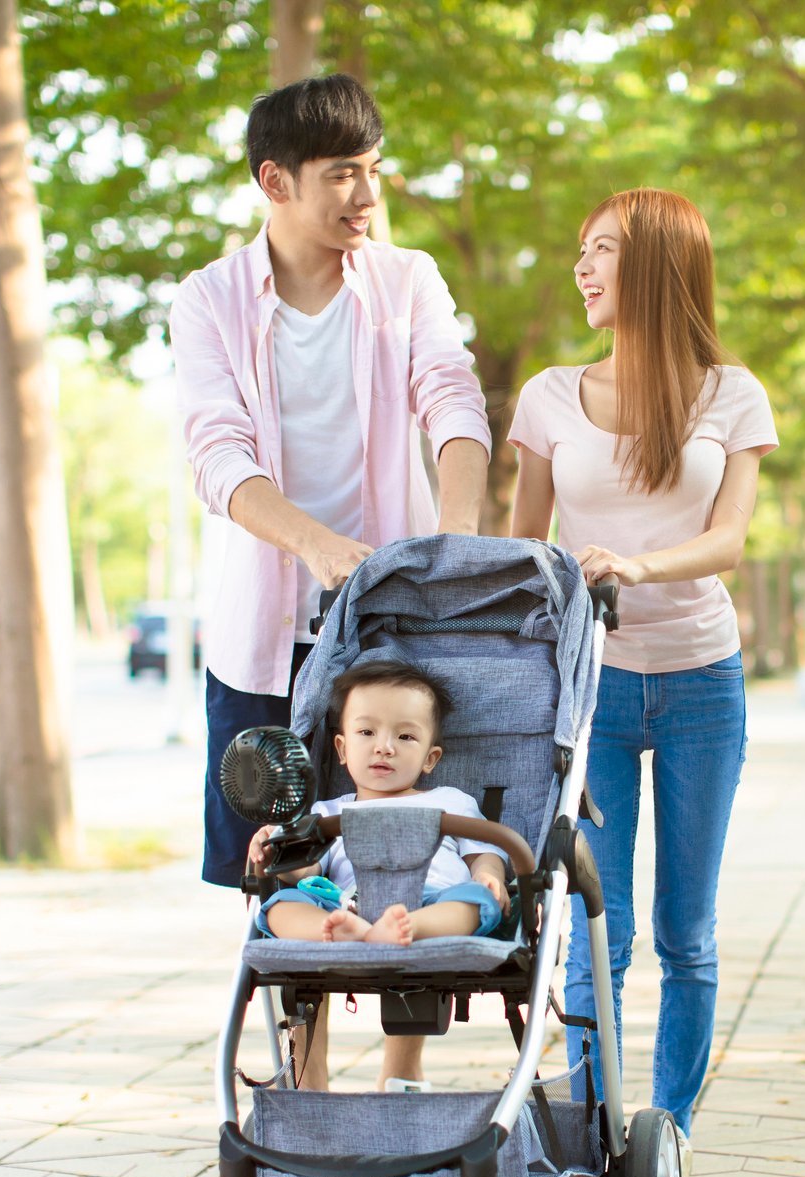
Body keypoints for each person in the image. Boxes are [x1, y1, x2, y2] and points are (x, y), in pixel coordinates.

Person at [171, 74, 491, 1092]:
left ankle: (400, 1084)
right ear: (275, 180)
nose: (366, 191)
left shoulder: (405, 281)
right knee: (278, 868)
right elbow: (216, 453)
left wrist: (459, 546)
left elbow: (451, 397)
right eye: (342, 173)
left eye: (371, 167)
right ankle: (303, 1093)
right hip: (264, 641)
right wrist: (310, 543)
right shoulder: (209, 300)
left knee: (410, 852)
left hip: (389, 639)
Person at [506, 189, 776, 1177]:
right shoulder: (546, 397)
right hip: (593, 690)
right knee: (592, 929)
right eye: (578, 252)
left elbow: (728, 539)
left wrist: (636, 561)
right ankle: (596, 1158)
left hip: (703, 676)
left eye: (603, 253)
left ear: (658, 264)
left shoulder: (730, 394)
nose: (582, 270)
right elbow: (525, 544)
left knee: (685, 930)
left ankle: (668, 1143)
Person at [246, 663, 509, 1091]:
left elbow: (486, 850)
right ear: (343, 747)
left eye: (405, 737)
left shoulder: (449, 800)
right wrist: (274, 848)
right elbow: (305, 871)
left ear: (430, 758)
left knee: (476, 902)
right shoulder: (328, 813)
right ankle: (336, 933)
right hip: (347, 905)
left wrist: (488, 876)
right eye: (366, 733)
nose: (384, 747)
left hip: (430, 903)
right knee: (279, 906)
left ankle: (405, 929)